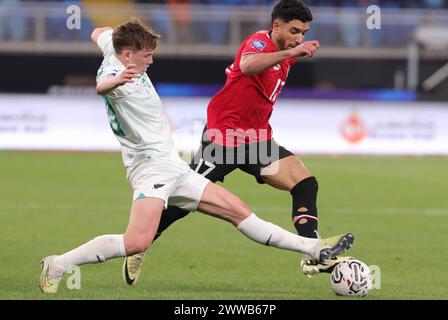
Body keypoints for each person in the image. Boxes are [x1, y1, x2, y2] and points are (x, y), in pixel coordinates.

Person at [39, 18, 354, 294]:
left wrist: (106, 36)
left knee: (240, 212)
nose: (151, 61)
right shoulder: (123, 81)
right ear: (128, 55)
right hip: (154, 168)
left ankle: (313, 246)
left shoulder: (115, 47)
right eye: (147, 56)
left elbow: (100, 31)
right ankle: (58, 264)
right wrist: (114, 82)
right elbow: (101, 87)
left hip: (176, 163)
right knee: (135, 241)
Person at [123, 0, 353, 286]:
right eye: (294, 31)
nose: (299, 38)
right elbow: (247, 65)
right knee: (183, 203)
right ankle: (138, 246)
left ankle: (311, 251)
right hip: (224, 139)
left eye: (304, 34)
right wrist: (291, 51)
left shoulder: (286, 53)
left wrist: (288, 52)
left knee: (305, 183)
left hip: (256, 142)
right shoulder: (259, 42)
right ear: (277, 25)